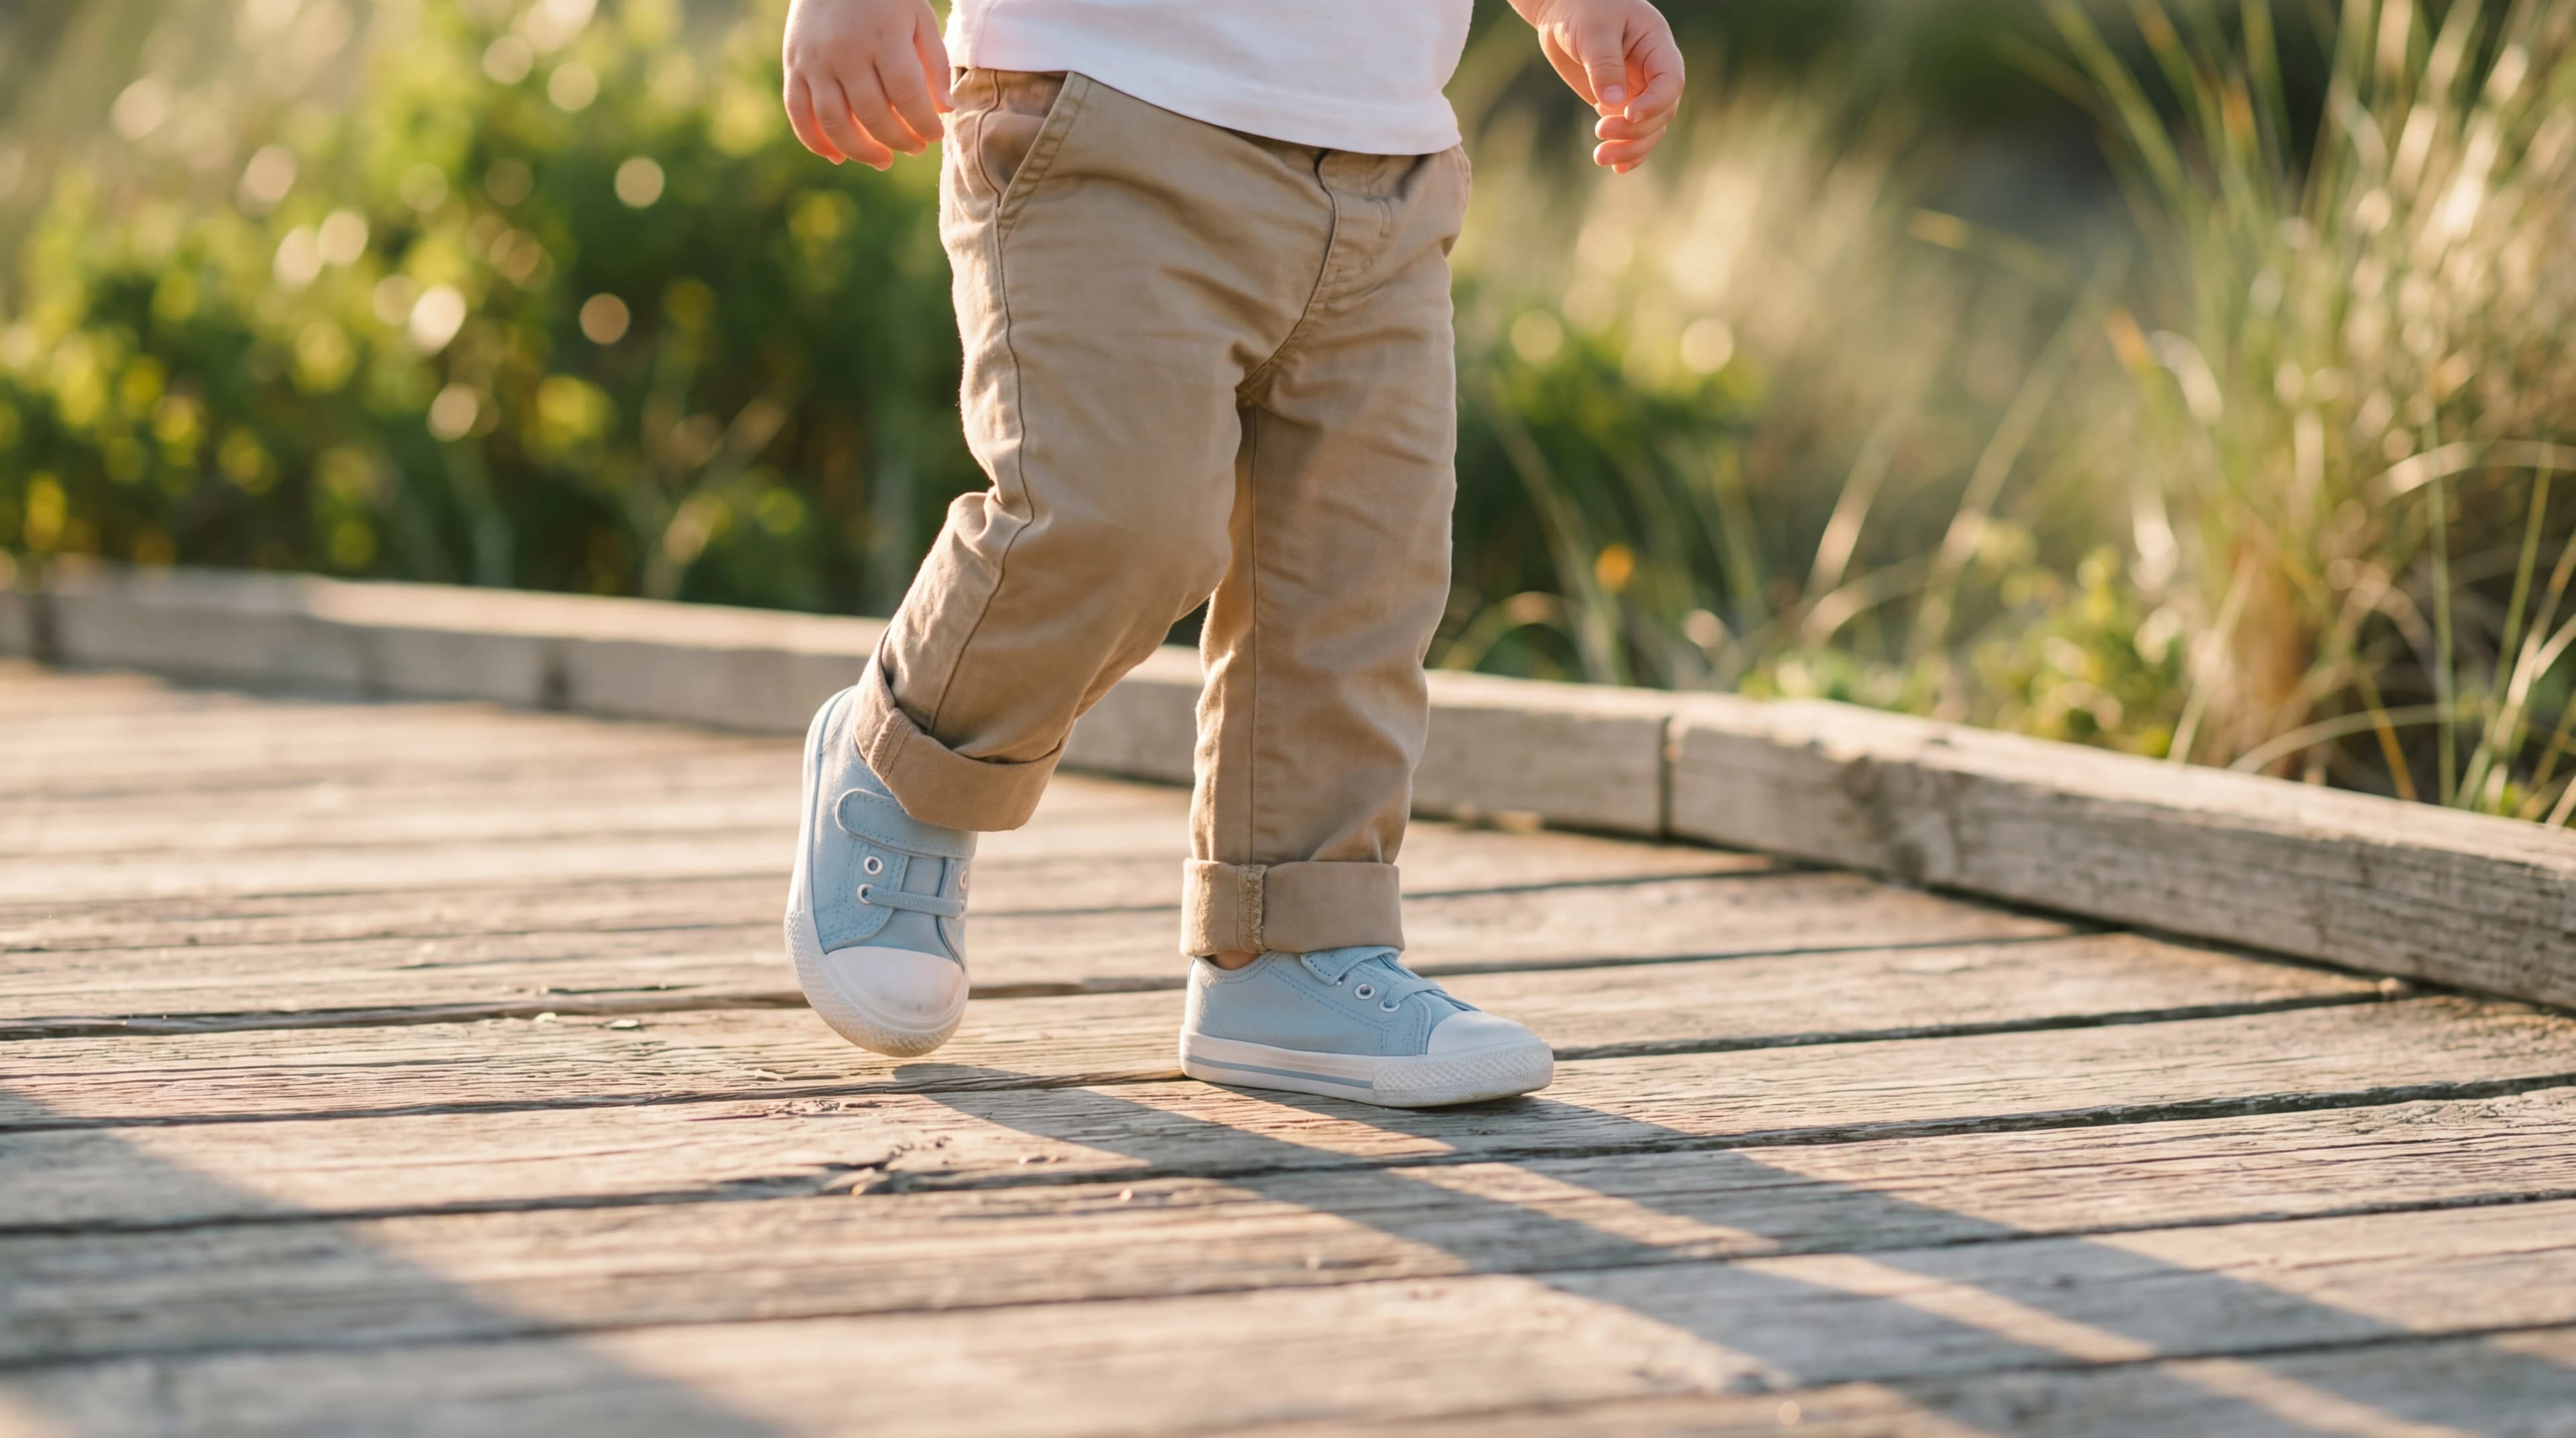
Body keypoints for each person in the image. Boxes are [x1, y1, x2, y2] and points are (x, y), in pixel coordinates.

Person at [778, 0, 1684, 1107]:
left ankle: (1287, 948)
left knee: (1360, 572)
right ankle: (912, 756)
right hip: (1107, 111)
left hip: (1388, 163)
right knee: (1115, 516)